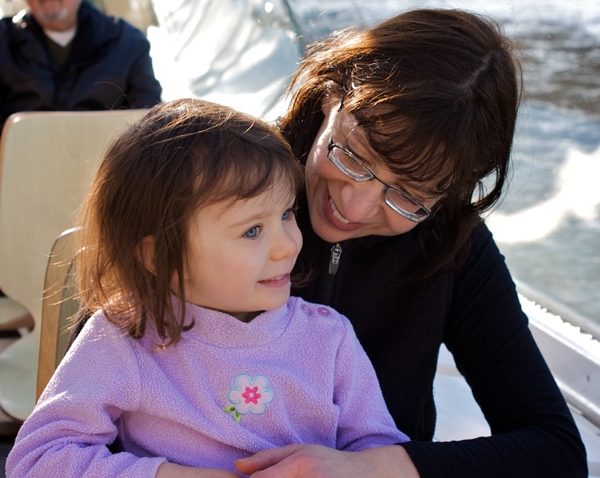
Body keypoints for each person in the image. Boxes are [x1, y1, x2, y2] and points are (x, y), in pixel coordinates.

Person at [233, 8, 589, 478]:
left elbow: (555, 451)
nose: (354, 208)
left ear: (450, 193)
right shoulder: (221, 191)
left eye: (407, 196)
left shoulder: (451, 243)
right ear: (331, 95)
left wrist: (368, 469)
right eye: (355, 155)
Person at [6, 98, 409, 477]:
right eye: (252, 230)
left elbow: (377, 452)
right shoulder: (125, 335)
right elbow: (39, 458)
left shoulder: (329, 338)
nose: (289, 244)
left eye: (286, 213)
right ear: (160, 256)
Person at [0, 0, 162, 129]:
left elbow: (148, 118)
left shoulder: (127, 42)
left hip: (103, 165)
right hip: (21, 165)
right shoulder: (4, 42)